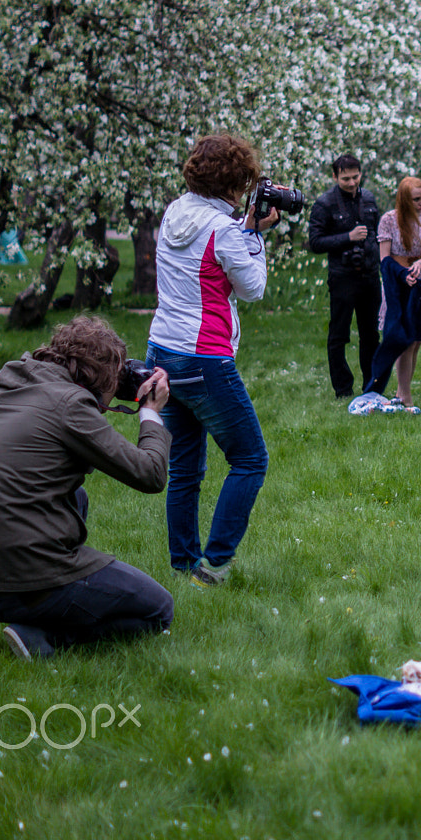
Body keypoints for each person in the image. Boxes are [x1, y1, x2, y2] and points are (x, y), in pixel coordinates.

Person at [0, 316, 173, 659]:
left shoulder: (11, 385)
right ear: (103, 376)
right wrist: (150, 412)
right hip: (21, 577)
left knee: (76, 495)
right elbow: (150, 474)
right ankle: (44, 634)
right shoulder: (69, 405)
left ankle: (43, 610)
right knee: (158, 609)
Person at [146, 132, 282, 587]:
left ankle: (183, 564)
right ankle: (215, 566)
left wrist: (242, 227)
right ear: (232, 183)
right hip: (203, 356)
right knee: (250, 459)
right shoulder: (224, 229)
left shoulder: (174, 211)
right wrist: (255, 236)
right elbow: (253, 288)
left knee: (185, 467)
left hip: (162, 350)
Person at [307, 154, 383, 399]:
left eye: (355, 177)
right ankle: (343, 390)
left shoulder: (369, 198)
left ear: (361, 174)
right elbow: (315, 243)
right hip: (342, 278)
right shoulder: (324, 203)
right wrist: (347, 237)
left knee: (370, 334)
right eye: (345, 178)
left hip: (370, 276)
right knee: (339, 335)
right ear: (335, 176)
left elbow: (377, 233)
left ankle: (371, 387)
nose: (351, 183)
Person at [364, 176, 421, 411]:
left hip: (418, 280)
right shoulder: (389, 220)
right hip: (397, 280)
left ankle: (401, 392)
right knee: (404, 339)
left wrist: (420, 265)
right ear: (404, 199)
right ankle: (405, 397)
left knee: (416, 340)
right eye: (416, 199)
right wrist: (402, 273)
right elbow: (384, 258)